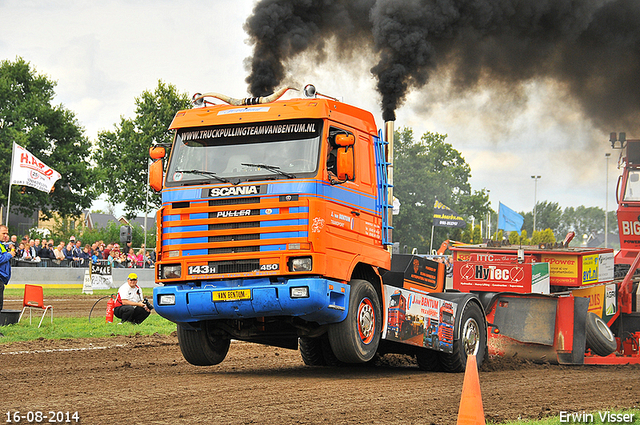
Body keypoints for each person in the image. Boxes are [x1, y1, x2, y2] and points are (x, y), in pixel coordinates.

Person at [0, 225, 16, 311]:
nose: (5, 235)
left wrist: (9, 249)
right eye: (3, 233)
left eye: (7, 233)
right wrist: (9, 254)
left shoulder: (2, 245)